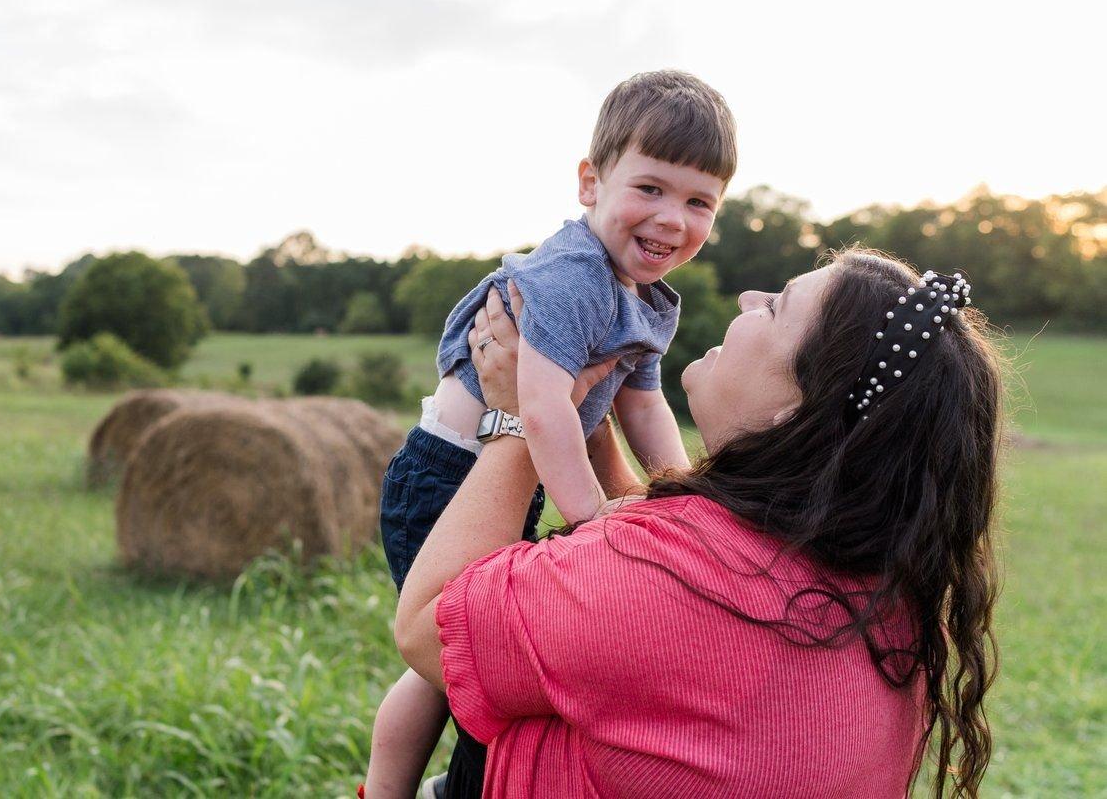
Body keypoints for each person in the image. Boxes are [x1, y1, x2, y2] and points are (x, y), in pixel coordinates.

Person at [394, 251, 1002, 799]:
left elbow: (428, 631)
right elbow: (685, 574)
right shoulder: (886, 598)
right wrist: (592, 424)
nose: (747, 300)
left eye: (776, 306)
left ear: (797, 407)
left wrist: (519, 419)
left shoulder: (658, 580)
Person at [365, 71, 739, 797]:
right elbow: (539, 408)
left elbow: (642, 406)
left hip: (506, 474)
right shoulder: (573, 277)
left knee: (476, 655)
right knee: (446, 655)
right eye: (651, 189)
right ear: (590, 183)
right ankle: (390, 790)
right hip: (446, 476)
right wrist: (592, 520)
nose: (672, 218)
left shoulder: (649, 298)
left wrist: (684, 492)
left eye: (700, 202)